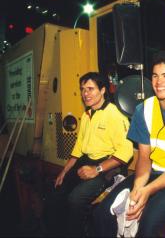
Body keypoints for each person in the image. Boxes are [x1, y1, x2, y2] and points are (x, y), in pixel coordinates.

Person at [93, 50, 165, 237]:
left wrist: (148, 191)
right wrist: (138, 187)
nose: (159, 81)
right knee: (102, 215)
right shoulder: (143, 109)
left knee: (149, 224)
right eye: (155, 76)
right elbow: (144, 157)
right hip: (151, 173)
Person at [44, 72, 133, 237]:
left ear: (103, 90)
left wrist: (96, 169)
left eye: (91, 89)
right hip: (87, 160)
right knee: (56, 193)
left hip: (109, 166)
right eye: (83, 89)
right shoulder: (87, 115)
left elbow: (125, 152)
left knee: (76, 199)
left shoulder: (115, 114)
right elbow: (78, 148)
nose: (85, 94)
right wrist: (64, 171)